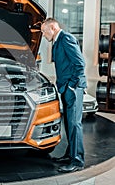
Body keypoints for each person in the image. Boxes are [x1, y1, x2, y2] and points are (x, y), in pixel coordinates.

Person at [41, 18, 87, 173]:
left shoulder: (66, 38)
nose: (42, 34)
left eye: (43, 31)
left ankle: (77, 161)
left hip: (72, 88)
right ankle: (70, 155)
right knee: (68, 124)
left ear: (52, 27)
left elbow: (80, 64)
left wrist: (72, 86)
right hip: (65, 88)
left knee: (74, 124)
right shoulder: (57, 41)